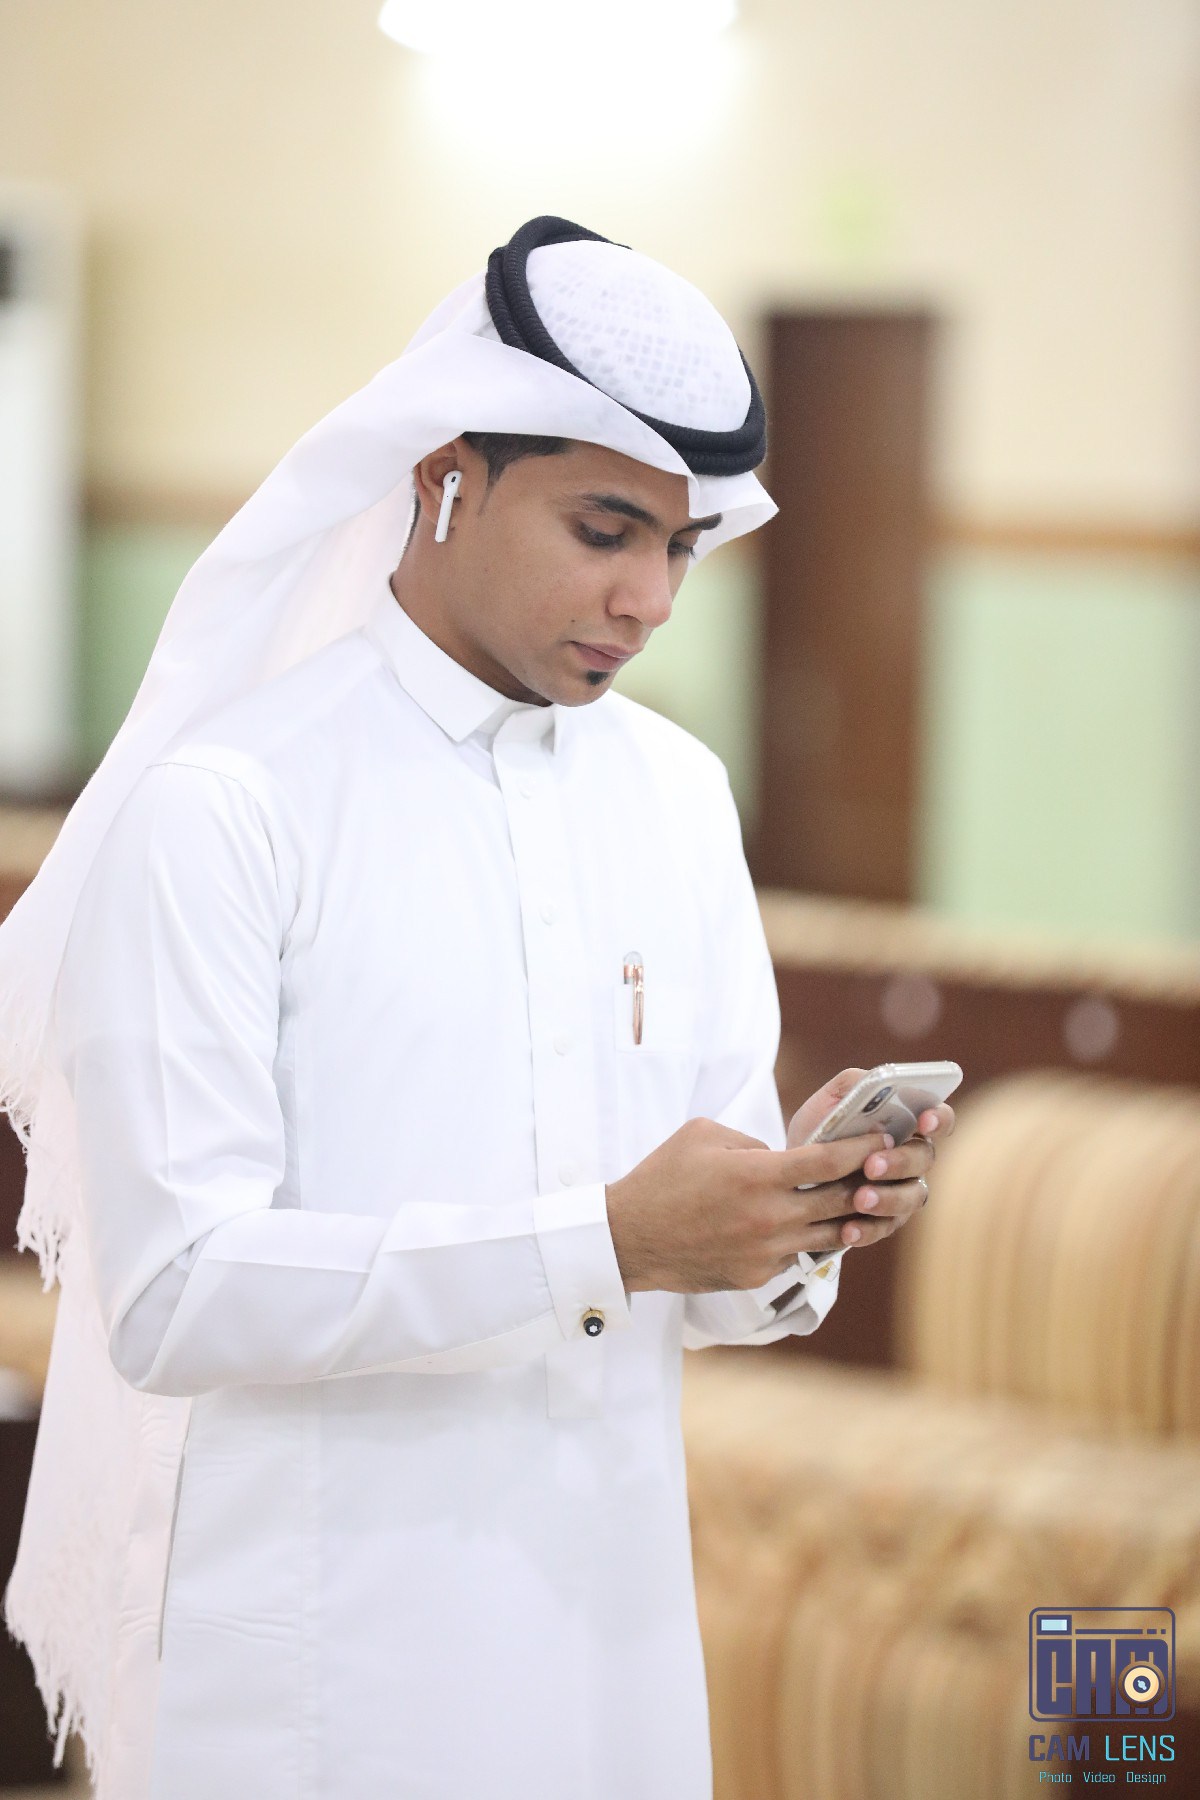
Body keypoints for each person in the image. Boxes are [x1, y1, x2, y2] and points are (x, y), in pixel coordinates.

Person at [1, 215, 954, 1799]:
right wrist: (612, 1239)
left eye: (682, 546)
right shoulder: (232, 806)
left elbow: (694, 1277)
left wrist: (791, 1221)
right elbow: (174, 1295)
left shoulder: (678, 797)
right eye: (604, 530)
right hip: (329, 1674)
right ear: (448, 473)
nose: (650, 598)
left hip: (612, 1652)